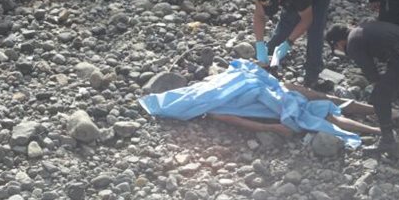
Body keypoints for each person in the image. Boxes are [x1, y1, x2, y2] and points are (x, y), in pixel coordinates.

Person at [138, 59, 385, 143]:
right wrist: (273, 127)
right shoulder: (212, 91)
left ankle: (379, 124)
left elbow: (239, 119)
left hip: (272, 99)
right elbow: (247, 72)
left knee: (324, 111)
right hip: (274, 95)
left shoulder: (209, 105)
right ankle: (381, 118)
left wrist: (273, 128)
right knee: (325, 103)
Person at [325, 21, 399, 150]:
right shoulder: (361, 28)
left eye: (336, 48)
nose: (339, 50)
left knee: (379, 97)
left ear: (338, 42)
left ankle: (387, 140)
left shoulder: (352, 43)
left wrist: (381, 91)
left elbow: (371, 72)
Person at [252, 0, 336, 88]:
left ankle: (312, 74)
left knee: (315, 29)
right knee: (287, 20)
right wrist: (260, 45)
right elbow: (259, 16)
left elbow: (307, 20)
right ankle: (270, 56)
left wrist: (288, 43)